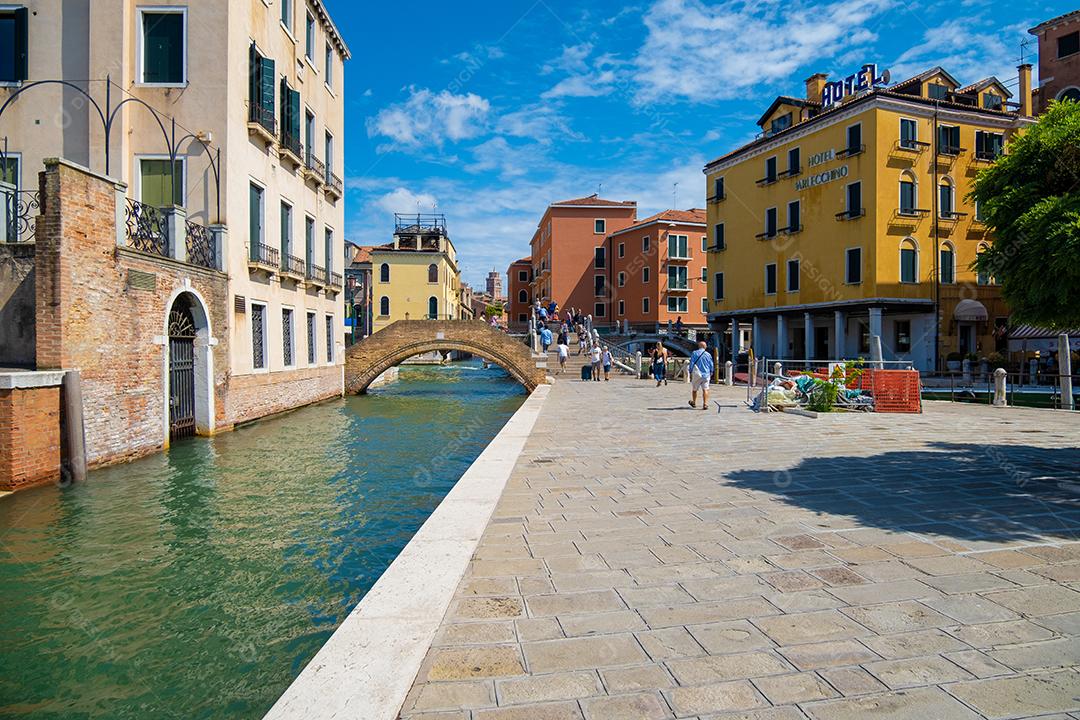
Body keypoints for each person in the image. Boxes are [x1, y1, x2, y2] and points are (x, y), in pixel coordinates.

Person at [688, 340, 715, 410]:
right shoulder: (708, 354)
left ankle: (694, 402)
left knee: (695, 389)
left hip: (697, 374)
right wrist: (712, 371)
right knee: (705, 389)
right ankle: (705, 404)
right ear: (704, 346)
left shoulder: (694, 353)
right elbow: (711, 364)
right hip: (706, 374)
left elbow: (692, 363)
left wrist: (690, 371)